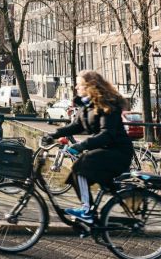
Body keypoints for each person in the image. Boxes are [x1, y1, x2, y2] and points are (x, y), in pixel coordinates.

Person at [43, 70, 133, 223]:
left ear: (89, 86)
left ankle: (87, 211)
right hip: (106, 150)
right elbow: (76, 126)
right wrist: (54, 135)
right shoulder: (86, 105)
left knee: (81, 166)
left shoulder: (107, 104)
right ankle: (90, 211)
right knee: (76, 175)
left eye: (79, 85)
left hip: (118, 152)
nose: (76, 88)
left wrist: (81, 146)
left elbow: (107, 134)